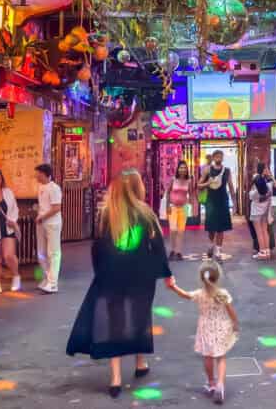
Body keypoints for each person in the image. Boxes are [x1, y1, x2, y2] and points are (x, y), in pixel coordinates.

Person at [66, 169, 173, 398]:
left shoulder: (107, 214)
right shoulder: (146, 213)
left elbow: (98, 246)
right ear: (137, 187)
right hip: (140, 275)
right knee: (140, 315)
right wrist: (165, 273)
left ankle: (115, 377)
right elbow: (158, 247)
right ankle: (140, 363)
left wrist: (100, 273)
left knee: (115, 319)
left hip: (111, 275)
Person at [167, 261, 239, 405]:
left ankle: (211, 383)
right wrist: (235, 324)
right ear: (218, 277)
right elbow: (231, 311)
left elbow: (185, 295)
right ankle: (220, 385)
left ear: (201, 278)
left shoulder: (200, 294)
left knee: (207, 356)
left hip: (205, 328)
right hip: (221, 327)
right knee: (221, 357)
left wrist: (173, 287)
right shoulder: (222, 294)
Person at [34, 163, 63, 294]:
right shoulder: (40, 187)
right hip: (42, 222)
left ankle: (53, 283)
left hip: (52, 224)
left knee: (53, 252)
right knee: (41, 252)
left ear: (44, 174)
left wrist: (43, 216)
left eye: (37, 173)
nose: (36, 175)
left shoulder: (54, 188)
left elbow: (56, 207)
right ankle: (47, 278)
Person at [199, 150, 233, 260]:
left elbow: (231, 186)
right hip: (211, 202)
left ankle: (218, 250)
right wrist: (207, 183)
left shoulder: (227, 171)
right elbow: (199, 185)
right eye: (217, 156)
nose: (219, 158)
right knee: (211, 227)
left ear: (223, 158)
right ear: (213, 158)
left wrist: (235, 202)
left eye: (220, 156)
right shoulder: (207, 170)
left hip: (223, 201)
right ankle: (210, 245)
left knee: (221, 228)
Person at [166, 160, 192, 261]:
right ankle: (172, 250)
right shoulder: (173, 179)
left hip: (184, 207)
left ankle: (178, 252)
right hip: (172, 207)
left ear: (187, 170)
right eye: (181, 167)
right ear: (178, 169)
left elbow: (190, 193)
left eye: (184, 168)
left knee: (181, 231)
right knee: (173, 230)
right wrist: (167, 205)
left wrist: (191, 206)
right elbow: (168, 192)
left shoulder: (188, 181)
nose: (183, 169)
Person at [248, 162, 273, 260]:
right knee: (265, 231)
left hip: (256, 211)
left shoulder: (257, 183)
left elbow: (251, 196)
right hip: (265, 210)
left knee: (259, 232)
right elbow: (270, 193)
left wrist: (252, 188)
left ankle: (262, 252)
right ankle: (267, 251)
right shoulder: (268, 182)